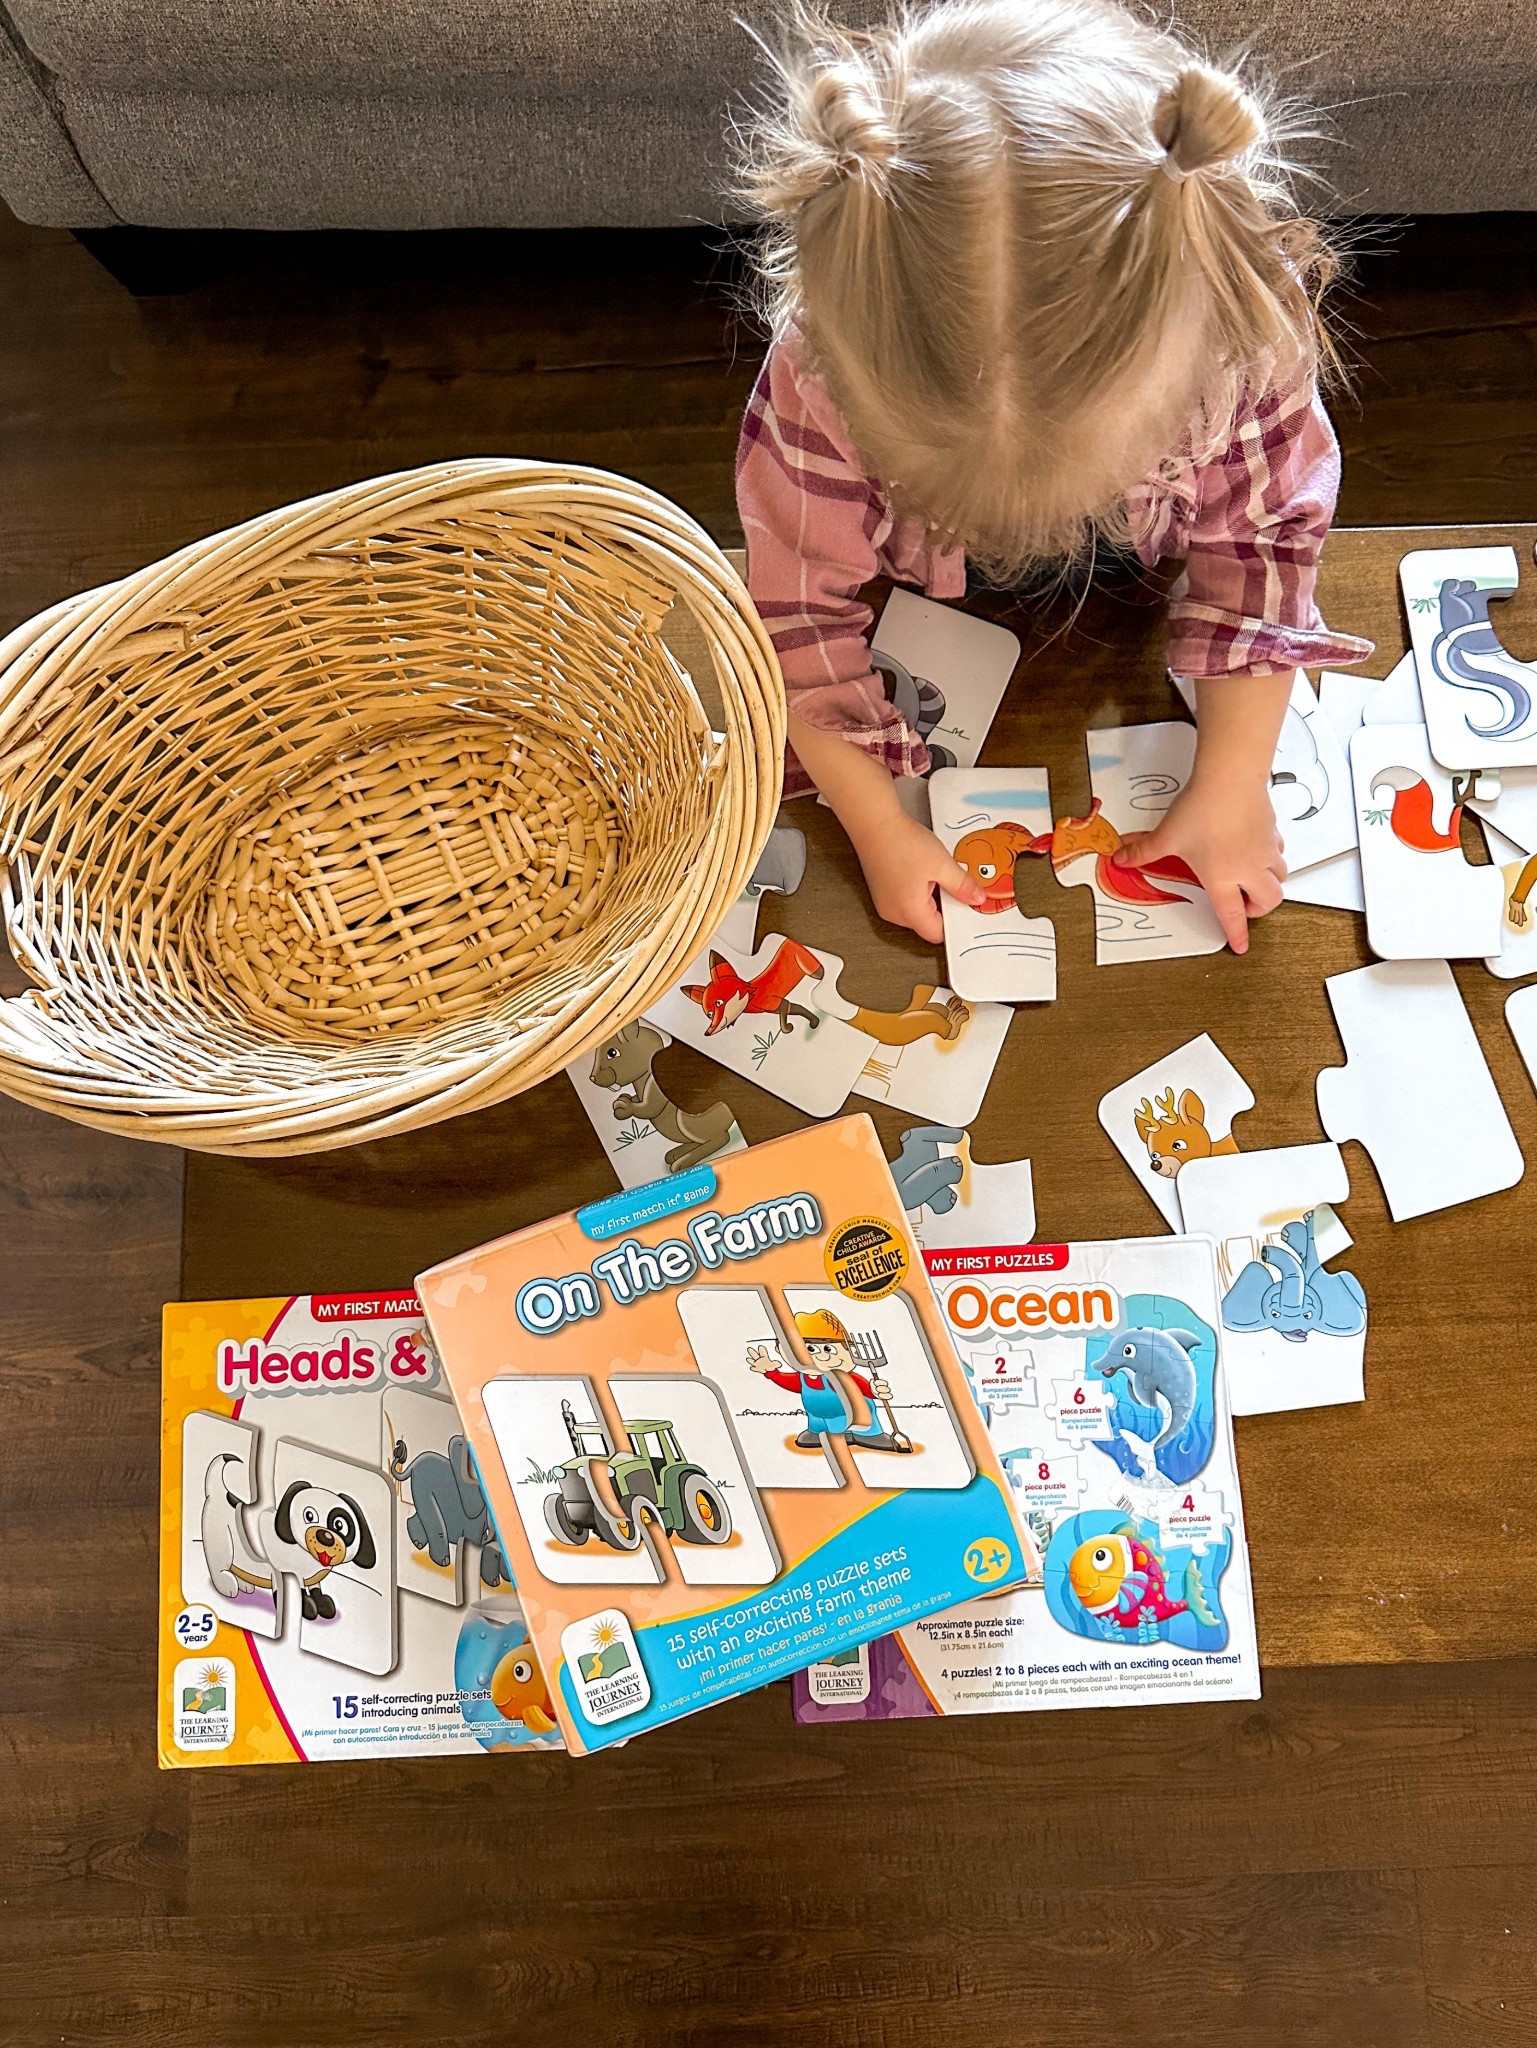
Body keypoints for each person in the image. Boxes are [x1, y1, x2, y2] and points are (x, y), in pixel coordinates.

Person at [734, 0, 1374, 954]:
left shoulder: (1242, 344)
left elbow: (1261, 551)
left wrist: (1233, 783)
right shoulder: (817, 379)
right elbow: (793, 615)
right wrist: (876, 824)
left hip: (1134, 602)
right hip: (942, 611)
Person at [747, 1307, 910, 1451]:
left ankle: (869, 1435)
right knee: (817, 1426)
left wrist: (875, 1390)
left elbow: (864, 1389)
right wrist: (771, 1373)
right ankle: (818, 1432)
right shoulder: (803, 1378)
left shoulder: (843, 1377)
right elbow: (789, 1382)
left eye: (829, 1348)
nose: (822, 1356)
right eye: (810, 1349)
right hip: (819, 1419)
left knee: (863, 1417)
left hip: (856, 1417)